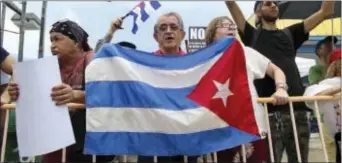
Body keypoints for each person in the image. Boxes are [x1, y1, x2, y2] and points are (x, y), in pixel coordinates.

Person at [226, 1, 335, 162]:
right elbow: (230, 3)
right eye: (267, 3)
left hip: (297, 109)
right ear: (258, 12)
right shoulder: (251, 35)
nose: (273, 5)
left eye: (276, 3)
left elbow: (325, 12)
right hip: (268, 112)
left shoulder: (291, 33)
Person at [7, 19, 114, 163]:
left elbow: (105, 95)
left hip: (85, 142)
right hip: (54, 141)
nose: (52, 45)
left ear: (77, 42)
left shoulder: (92, 60)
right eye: (51, 40)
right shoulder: (46, 68)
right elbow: (36, 98)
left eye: (58, 39)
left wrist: (75, 95)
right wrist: (17, 93)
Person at [205, 16, 289, 163]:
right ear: (212, 33)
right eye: (224, 25)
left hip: (252, 126)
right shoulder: (203, 58)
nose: (230, 28)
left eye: (232, 25)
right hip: (219, 129)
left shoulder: (247, 53)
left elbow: (276, 70)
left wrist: (281, 88)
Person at [137, 12, 197, 163]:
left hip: (186, 138)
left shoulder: (196, 65)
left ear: (182, 34)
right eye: (163, 28)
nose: (168, 31)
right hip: (153, 139)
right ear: (156, 36)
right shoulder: (142, 65)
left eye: (173, 27)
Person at [304, 48, 341, 162]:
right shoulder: (327, 84)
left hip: (331, 132)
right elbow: (310, 96)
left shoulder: (324, 85)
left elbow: (309, 97)